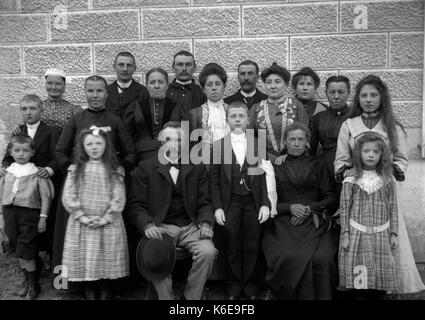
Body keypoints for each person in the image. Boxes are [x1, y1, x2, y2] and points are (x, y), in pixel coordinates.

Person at [334, 75, 425, 294]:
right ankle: (362, 288)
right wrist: (351, 172)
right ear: (358, 99)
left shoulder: (390, 125)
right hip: (358, 196)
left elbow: (401, 159)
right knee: (359, 248)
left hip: (383, 194)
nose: (368, 99)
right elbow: (341, 160)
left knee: (389, 245)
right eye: (363, 95)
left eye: (373, 95)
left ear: (381, 97)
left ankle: (386, 288)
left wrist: (388, 171)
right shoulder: (349, 125)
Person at [52, 75, 136, 273]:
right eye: (91, 90)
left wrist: (120, 168)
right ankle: (72, 283)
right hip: (81, 187)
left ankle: (109, 283)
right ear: (85, 92)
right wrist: (70, 168)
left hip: (107, 187)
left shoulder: (115, 120)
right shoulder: (76, 119)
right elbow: (60, 151)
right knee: (77, 241)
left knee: (108, 240)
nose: (95, 95)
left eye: (99, 91)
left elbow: (131, 152)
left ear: (107, 94)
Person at [128, 122, 217, 300]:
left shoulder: (197, 167)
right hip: (161, 226)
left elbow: (205, 202)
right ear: (160, 142)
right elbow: (135, 205)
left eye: (179, 140)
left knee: (208, 252)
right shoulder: (146, 168)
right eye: (168, 139)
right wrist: (147, 225)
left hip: (190, 226)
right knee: (156, 252)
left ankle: (191, 298)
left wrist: (206, 222)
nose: (174, 144)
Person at [262, 122, 338, 300]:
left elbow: (331, 197)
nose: (296, 143)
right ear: (285, 143)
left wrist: (309, 209)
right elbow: (267, 199)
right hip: (283, 223)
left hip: (315, 221)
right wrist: (290, 208)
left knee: (323, 257)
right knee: (289, 255)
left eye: (300, 140)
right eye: (292, 139)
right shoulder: (276, 166)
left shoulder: (318, 165)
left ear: (307, 142)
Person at [210, 101, 270, 300]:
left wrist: (264, 203)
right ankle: (234, 284)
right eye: (233, 116)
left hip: (252, 201)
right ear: (227, 120)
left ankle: (251, 285)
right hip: (231, 202)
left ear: (248, 119)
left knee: (252, 243)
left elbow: (263, 177)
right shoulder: (219, 146)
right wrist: (218, 207)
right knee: (233, 243)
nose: (237, 119)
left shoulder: (257, 143)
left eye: (241, 116)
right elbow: (215, 180)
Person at [61, 128, 129, 300]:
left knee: (106, 257)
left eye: (98, 143)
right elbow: (69, 195)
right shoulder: (75, 170)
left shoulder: (114, 170)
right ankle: (89, 291)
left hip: (108, 222)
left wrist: (106, 217)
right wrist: (81, 216)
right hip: (83, 223)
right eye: (89, 144)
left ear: (106, 146)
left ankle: (105, 291)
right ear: (83, 147)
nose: (94, 147)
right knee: (87, 258)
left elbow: (119, 196)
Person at [2, 94, 60, 272]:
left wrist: (48, 170)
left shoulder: (51, 131)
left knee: (45, 224)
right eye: (24, 109)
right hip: (21, 191)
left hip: (42, 182)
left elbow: (57, 156)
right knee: (23, 230)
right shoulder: (18, 132)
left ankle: (49, 256)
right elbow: (7, 158)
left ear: (41, 110)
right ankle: (32, 260)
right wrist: (4, 167)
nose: (28, 112)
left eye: (33, 108)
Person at [338, 132, 399, 299]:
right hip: (357, 233)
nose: (371, 155)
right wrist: (345, 234)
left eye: (375, 151)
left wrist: (393, 233)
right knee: (360, 280)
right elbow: (344, 208)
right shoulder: (351, 178)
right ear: (359, 153)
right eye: (366, 151)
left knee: (380, 280)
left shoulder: (387, 179)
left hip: (381, 235)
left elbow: (393, 207)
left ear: (381, 154)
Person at [0, 135, 54, 299]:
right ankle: (27, 280)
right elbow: (1, 195)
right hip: (10, 213)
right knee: (17, 247)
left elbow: (46, 197)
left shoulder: (36, 173)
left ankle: (34, 285)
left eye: (25, 151)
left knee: (27, 248)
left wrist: (43, 217)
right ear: (11, 152)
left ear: (32, 153)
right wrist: (1, 216)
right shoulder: (7, 173)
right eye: (17, 150)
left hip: (29, 214)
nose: (21, 154)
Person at [249, 62, 308, 163]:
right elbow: (250, 139)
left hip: (293, 161)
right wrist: (267, 157)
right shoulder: (256, 108)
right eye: (268, 82)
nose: (273, 86)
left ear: (286, 84)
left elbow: (305, 136)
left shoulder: (296, 106)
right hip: (263, 161)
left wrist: (288, 155)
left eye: (277, 82)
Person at [124, 67, 177, 162]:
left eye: (161, 82)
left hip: (171, 156)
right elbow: (127, 135)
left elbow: (184, 134)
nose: (156, 86)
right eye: (152, 82)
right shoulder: (136, 106)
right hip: (142, 158)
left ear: (167, 85)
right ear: (146, 85)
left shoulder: (177, 105)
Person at [310, 75, 351, 197]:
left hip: (350, 166)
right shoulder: (318, 118)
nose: (336, 96)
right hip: (326, 168)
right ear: (326, 93)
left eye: (341, 92)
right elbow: (311, 150)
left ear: (349, 93)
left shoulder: (356, 117)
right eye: (332, 92)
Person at [12, 68, 81, 135]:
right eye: (49, 83)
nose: (53, 87)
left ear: (64, 86)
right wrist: (18, 128)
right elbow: (26, 126)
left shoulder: (73, 109)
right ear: (45, 85)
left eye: (58, 84)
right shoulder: (36, 107)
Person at [186, 63, 230, 160]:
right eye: (209, 85)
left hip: (230, 162)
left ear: (224, 87)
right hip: (204, 164)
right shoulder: (195, 114)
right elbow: (192, 145)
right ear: (204, 89)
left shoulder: (232, 111)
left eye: (218, 84)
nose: (214, 88)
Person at [105, 51, 150, 119]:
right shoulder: (105, 92)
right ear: (114, 67)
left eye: (129, 65)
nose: (125, 69)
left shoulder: (143, 92)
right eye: (121, 65)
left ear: (134, 68)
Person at [166, 50, 206, 120]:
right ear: (173, 68)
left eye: (188, 65)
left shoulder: (202, 93)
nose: (184, 69)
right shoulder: (165, 92)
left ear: (194, 68)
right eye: (180, 64)